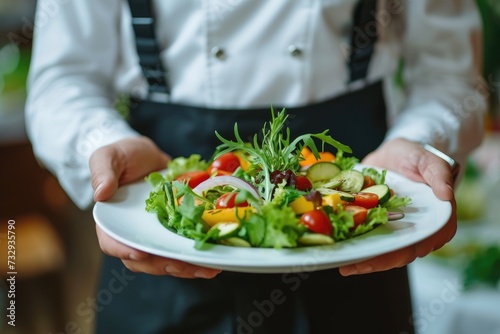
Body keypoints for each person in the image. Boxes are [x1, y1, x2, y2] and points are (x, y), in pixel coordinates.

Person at [25, 0, 485, 333]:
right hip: (162, 229)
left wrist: (424, 141)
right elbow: (62, 79)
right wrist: (101, 144)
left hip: (353, 239)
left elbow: (450, 72)